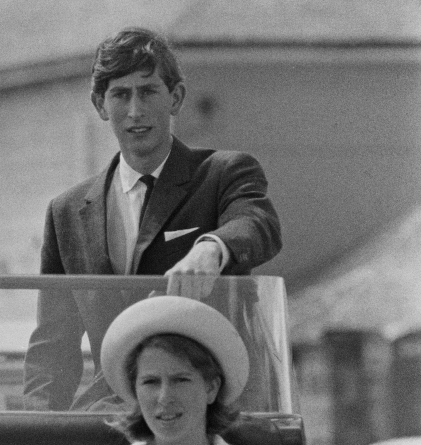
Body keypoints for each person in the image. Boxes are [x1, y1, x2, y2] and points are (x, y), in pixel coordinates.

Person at [23, 27, 282, 411]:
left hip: (211, 416)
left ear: (175, 98)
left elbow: (257, 223)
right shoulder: (67, 213)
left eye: (148, 92)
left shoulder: (223, 173)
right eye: (120, 94)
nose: (135, 111)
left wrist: (212, 249)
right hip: (112, 422)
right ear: (100, 105)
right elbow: (53, 348)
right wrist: (32, 436)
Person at [71, 296, 303, 445]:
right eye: (150, 382)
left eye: (181, 380)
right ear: (135, 391)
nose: (164, 397)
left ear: (211, 388)